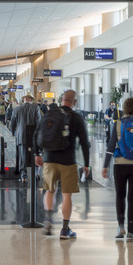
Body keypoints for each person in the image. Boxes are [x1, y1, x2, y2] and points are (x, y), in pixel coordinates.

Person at [34, 89, 90, 239]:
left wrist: (37, 154)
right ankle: (65, 230)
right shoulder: (76, 117)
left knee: (49, 191)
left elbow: (36, 133)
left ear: (61, 99)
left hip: (49, 159)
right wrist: (86, 164)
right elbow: (85, 143)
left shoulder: (50, 114)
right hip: (68, 161)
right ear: (74, 102)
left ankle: (48, 219)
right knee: (66, 195)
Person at [102, 97, 133, 241]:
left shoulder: (118, 124)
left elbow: (111, 147)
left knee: (120, 196)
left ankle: (120, 227)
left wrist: (105, 165)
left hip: (120, 165)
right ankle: (131, 232)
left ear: (124, 108)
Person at [9, 94, 42, 181]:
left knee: (22, 155)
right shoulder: (36, 108)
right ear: (31, 100)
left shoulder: (17, 109)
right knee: (35, 154)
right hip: (34, 137)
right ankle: (36, 173)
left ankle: (24, 175)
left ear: (23, 100)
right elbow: (39, 122)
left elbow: (12, 123)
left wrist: (12, 132)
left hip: (21, 136)